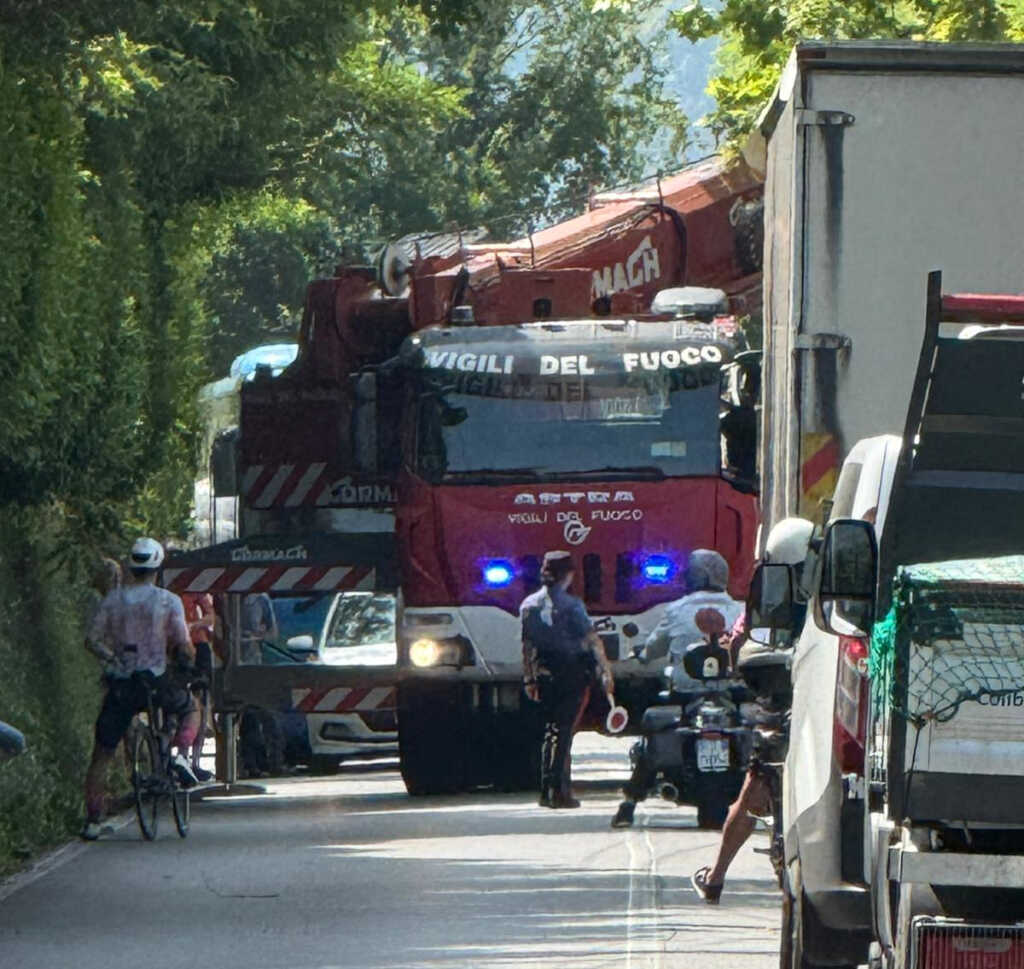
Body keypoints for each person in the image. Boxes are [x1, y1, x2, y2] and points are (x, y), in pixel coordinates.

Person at [691, 517, 813, 904]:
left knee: (751, 794)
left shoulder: (766, 595)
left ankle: (716, 877)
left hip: (780, 707)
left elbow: (738, 641)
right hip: (823, 711)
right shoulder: (833, 591)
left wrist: (732, 657)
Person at [611, 549, 743, 828]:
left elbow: (652, 650)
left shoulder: (677, 610)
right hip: (730, 691)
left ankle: (630, 801)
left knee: (650, 739)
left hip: (686, 693)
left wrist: (642, 654)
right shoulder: (738, 610)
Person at [81, 537, 199, 840]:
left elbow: (92, 640)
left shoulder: (112, 600)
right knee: (190, 709)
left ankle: (92, 820)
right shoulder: (167, 601)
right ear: (158, 567)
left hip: (122, 683)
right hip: (156, 679)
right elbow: (183, 645)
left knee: (102, 753)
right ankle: (182, 755)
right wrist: (187, 664)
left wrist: (113, 658)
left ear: (130, 566)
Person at [521, 550, 612, 809]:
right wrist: (605, 671)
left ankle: (546, 791)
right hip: (571, 674)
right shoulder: (573, 606)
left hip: (542, 674)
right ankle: (560, 792)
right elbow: (591, 640)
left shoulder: (528, 605)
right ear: (569, 575)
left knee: (550, 731)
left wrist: (529, 678)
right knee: (564, 733)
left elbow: (527, 645)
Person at [181, 591, 216, 781]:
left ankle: (194, 761)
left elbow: (211, 616)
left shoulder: (195, 588)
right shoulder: (166, 587)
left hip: (198, 644)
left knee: (202, 701)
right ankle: (182, 757)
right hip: (176, 646)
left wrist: (194, 624)